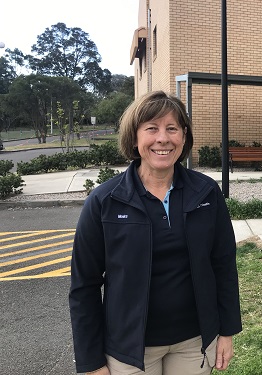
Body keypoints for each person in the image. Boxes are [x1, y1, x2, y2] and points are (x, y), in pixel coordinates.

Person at [69, 91, 242, 375]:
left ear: (183, 137)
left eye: (172, 128)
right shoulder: (104, 201)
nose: (163, 138)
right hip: (129, 349)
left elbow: (223, 265)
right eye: (152, 128)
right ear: (134, 139)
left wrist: (226, 331)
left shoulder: (206, 193)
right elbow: (84, 286)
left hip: (193, 342)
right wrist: (91, 362)